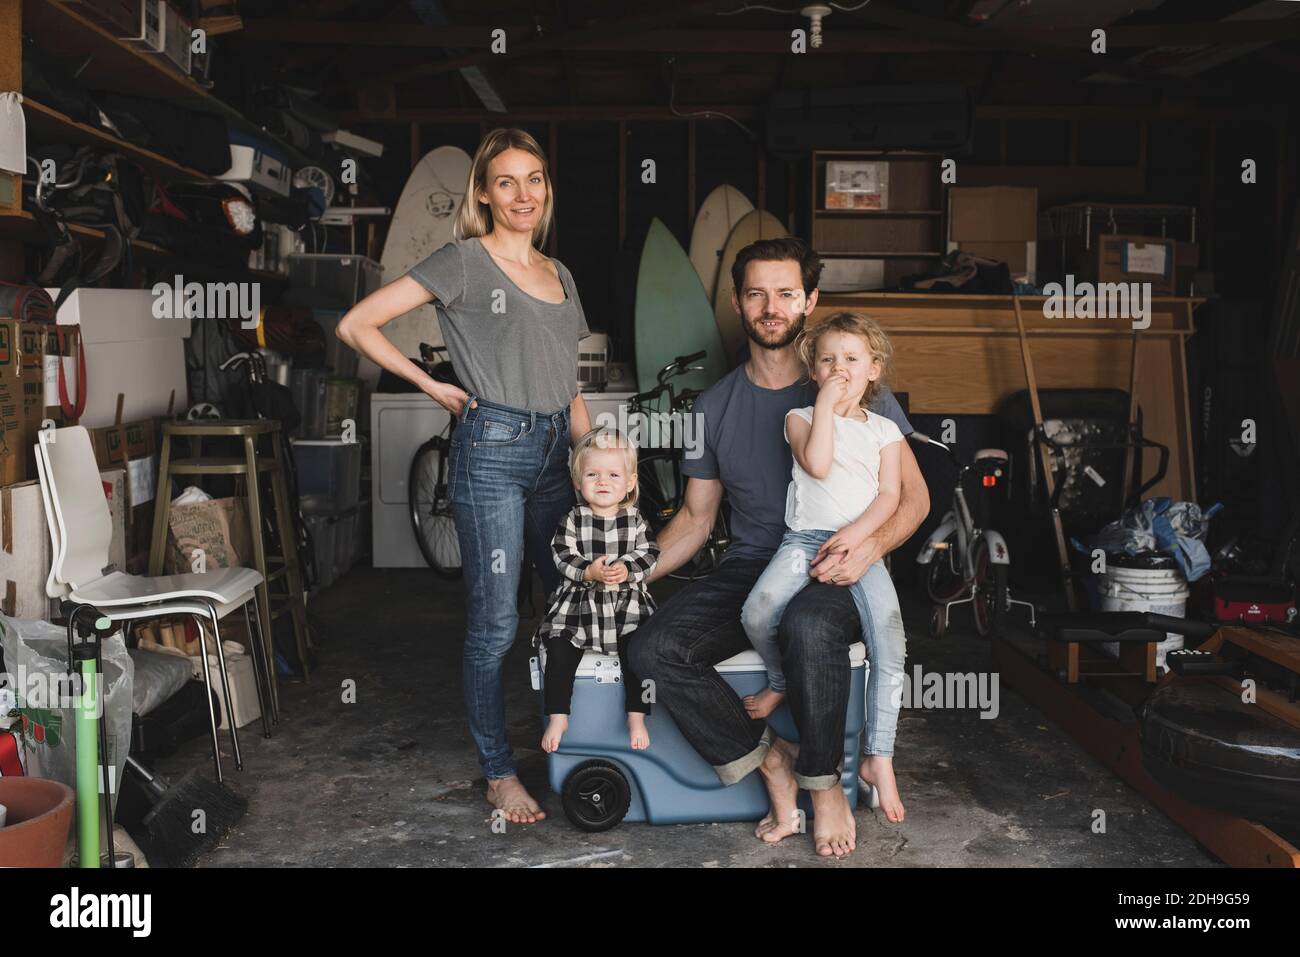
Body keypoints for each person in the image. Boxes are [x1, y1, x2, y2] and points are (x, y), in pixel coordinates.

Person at [628, 237, 930, 859]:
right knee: (652, 647)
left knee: (810, 627)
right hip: (752, 566)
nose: (772, 306)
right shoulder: (712, 407)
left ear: (809, 301)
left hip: (836, 563)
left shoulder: (856, 389)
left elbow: (914, 501)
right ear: (738, 303)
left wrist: (868, 548)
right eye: (757, 293)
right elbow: (694, 518)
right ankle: (771, 761)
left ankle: (824, 790)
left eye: (786, 293)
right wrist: (628, 573)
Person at [338, 128, 592, 825]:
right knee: (497, 622)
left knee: (571, 604)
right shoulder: (462, 262)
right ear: (483, 191)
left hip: (556, 459)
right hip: (494, 453)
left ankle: (567, 739)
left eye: (535, 179)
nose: (523, 195)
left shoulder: (560, 273)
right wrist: (431, 384)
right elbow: (358, 324)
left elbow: (567, 385)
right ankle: (498, 771)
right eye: (506, 182)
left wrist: (597, 459)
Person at [740, 313, 908, 826]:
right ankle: (779, 679)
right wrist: (823, 407)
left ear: (873, 370)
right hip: (804, 541)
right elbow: (817, 465)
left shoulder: (884, 430)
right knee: (758, 609)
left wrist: (858, 539)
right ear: (812, 372)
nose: (839, 369)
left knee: (889, 640)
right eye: (828, 361)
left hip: (862, 546)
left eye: (851, 360)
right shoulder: (799, 419)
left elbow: (891, 495)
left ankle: (881, 757)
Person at [534, 428, 657, 753]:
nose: (603, 481)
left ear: (630, 482)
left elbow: (650, 554)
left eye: (613, 474)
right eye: (592, 474)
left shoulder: (635, 520)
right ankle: (558, 715)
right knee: (559, 652)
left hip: (626, 609)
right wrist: (588, 570)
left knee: (640, 656)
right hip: (578, 609)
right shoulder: (573, 519)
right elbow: (560, 553)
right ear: (578, 482)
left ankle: (637, 715)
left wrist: (627, 568)